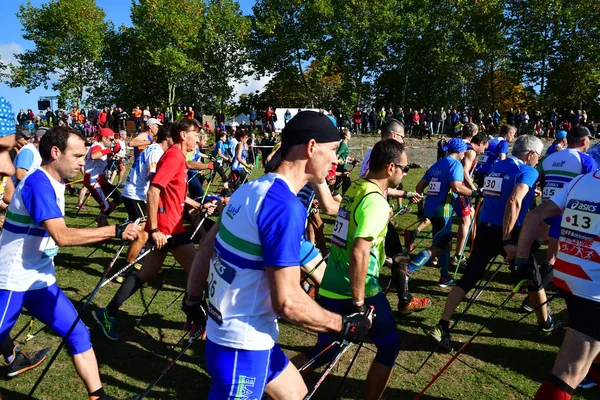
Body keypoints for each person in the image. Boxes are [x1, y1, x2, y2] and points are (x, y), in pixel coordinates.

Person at [182, 111, 372, 399]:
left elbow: (208, 245)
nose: (336, 159)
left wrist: (193, 300)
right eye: (333, 150)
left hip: (249, 337)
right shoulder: (285, 207)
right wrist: (344, 325)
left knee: (295, 393)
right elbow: (288, 302)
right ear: (311, 148)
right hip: (241, 347)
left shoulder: (250, 189)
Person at [0, 126, 141, 399]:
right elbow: (62, 236)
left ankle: (97, 395)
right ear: (55, 152)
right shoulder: (38, 184)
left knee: (78, 333)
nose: (82, 161)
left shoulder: (56, 182)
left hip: (40, 279)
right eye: (77, 155)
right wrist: (115, 230)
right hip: (11, 278)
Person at [298, 139, 407, 399]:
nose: (405, 173)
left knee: (327, 350)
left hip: (332, 282)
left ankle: (275, 382)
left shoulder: (357, 188)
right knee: (390, 346)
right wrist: (359, 304)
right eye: (404, 167)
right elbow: (360, 250)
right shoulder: (376, 202)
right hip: (358, 289)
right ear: (390, 168)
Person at [426, 136, 557, 352]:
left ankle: (443, 324)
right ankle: (545, 324)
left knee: (469, 278)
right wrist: (507, 240)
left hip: (486, 227)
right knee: (533, 278)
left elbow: (495, 194)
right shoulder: (529, 171)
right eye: (538, 156)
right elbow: (513, 200)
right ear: (532, 154)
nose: (538, 160)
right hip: (510, 232)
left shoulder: (497, 166)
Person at [93, 119, 216, 340]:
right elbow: (153, 191)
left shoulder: (177, 158)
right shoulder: (174, 157)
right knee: (199, 269)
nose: (198, 139)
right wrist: (156, 229)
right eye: (195, 134)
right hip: (168, 229)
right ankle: (198, 320)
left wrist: (199, 205)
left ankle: (107, 312)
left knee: (148, 272)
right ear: (182, 135)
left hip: (169, 226)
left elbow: (174, 193)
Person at [514, 164, 600, 399]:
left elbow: (535, 214)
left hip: (568, 278)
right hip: (593, 289)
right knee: (569, 369)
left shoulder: (581, 181)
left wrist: (521, 259)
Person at [407, 138, 481, 287]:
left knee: (444, 244)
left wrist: (420, 208)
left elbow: (419, 186)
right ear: (461, 151)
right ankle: (407, 270)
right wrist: (475, 193)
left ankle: (445, 277)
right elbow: (457, 188)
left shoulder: (437, 164)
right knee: (440, 246)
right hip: (443, 210)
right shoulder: (455, 165)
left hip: (431, 209)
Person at [536, 126, 597, 287]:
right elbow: (593, 186)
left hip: (546, 208)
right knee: (552, 257)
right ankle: (533, 296)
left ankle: (526, 269)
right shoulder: (586, 160)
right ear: (585, 141)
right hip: (566, 212)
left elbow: (534, 178)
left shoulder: (550, 158)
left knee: (536, 243)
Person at [120, 127, 173, 272]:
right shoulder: (156, 152)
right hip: (135, 194)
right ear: (167, 138)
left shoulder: (154, 148)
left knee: (144, 230)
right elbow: (152, 175)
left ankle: (136, 259)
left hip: (137, 194)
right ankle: (127, 267)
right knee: (143, 232)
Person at [452, 129, 489, 267]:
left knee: (472, 214)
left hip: (458, 187)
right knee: (466, 220)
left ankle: (472, 245)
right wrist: (475, 190)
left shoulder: (467, 148)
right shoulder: (472, 151)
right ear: (480, 143)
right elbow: (464, 172)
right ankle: (458, 256)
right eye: (484, 147)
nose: (484, 152)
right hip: (460, 188)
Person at [83, 128, 123, 227]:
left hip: (101, 180)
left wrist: (113, 157)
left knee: (119, 197)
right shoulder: (97, 146)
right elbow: (93, 155)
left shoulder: (102, 147)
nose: (113, 142)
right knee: (106, 206)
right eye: (111, 139)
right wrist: (109, 150)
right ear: (104, 138)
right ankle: (102, 227)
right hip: (92, 180)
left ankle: (101, 218)